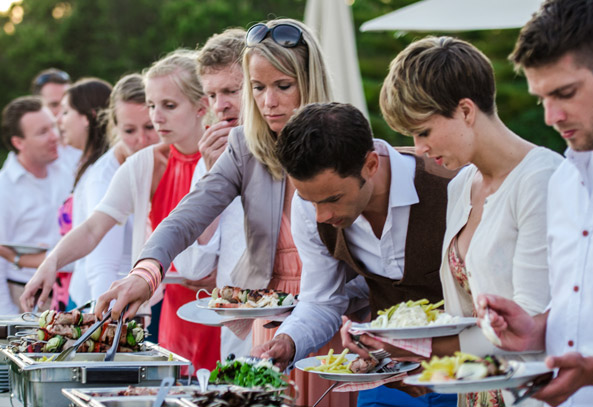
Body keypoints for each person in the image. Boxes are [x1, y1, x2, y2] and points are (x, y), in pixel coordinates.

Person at [96, 19, 358, 407]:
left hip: (333, 312)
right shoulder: (243, 146)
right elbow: (188, 215)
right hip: (266, 320)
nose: (268, 102)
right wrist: (145, 272)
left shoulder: (347, 137)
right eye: (257, 88)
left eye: (282, 86)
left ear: (310, 81)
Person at [374, 36, 563, 407]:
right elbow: (460, 313)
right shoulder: (462, 183)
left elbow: (529, 323)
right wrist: (397, 356)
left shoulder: (541, 179)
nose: (420, 147)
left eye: (424, 131)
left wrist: (418, 349)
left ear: (464, 110)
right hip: (472, 390)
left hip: (528, 394)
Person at [21, 50, 220, 373]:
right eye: (153, 106)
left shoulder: (223, 159)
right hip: (170, 309)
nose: (158, 117)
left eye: (169, 106)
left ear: (201, 107)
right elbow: (94, 227)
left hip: (217, 313)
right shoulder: (143, 164)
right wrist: (51, 262)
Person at [264, 101, 455, 406]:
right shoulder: (310, 206)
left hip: (463, 371)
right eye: (310, 201)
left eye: (333, 199)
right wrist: (288, 341)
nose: (321, 216)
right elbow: (322, 300)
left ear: (371, 165)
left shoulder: (451, 184)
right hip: (386, 375)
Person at [475, 0, 593, 406]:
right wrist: (536, 329)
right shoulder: (563, 181)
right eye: (541, 99)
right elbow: (578, 300)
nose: (551, 116)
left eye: (565, 93)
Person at [38, 73, 159, 309]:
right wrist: (103, 323)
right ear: (114, 126)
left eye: (149, 127)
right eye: (130, 130)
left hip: (130, 299)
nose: (142, 139)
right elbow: (100, 259)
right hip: (111, 302)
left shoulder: (143, 164)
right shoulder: (104, 176)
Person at [172, 28, 252, 360]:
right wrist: (212, 174)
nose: (221, 106)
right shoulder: (211, 157)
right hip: (236, 333)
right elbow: (192, 265)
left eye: (232, 91)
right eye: (212, 95)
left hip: (296, 326)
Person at [0, 96, 73, 312]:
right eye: (43, 132)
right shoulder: (4, 188)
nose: (54, 137)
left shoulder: (70, 169)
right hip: (24, 299)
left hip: (70, 295)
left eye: (53, 126)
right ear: (18, 142)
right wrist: (7, 318)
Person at [56, 78, 113, 309]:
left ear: (88, 117)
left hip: (92, 300)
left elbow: (98, 244)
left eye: (65, 112)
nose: (59, 120)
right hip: (83, 293)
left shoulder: (100, 174)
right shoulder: (90, 167)